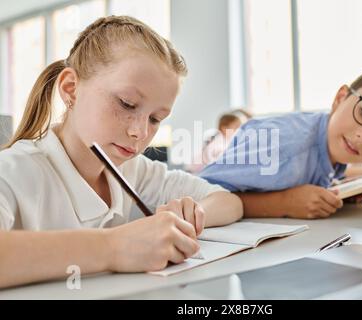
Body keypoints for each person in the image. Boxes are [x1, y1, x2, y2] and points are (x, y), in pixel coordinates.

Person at [0, 16, 243, 289]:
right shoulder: (13, 171)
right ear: (71, 89)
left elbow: (227, 201)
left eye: (155, 119)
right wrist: (115, 247)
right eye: (127, 104)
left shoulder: (132, 169)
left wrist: (189, 216)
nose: (140, 132)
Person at [200, 59, 362, 219]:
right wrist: (284, 203)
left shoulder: (334, 151)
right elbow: (198, 195)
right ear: (340, 98)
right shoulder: (283, 145)